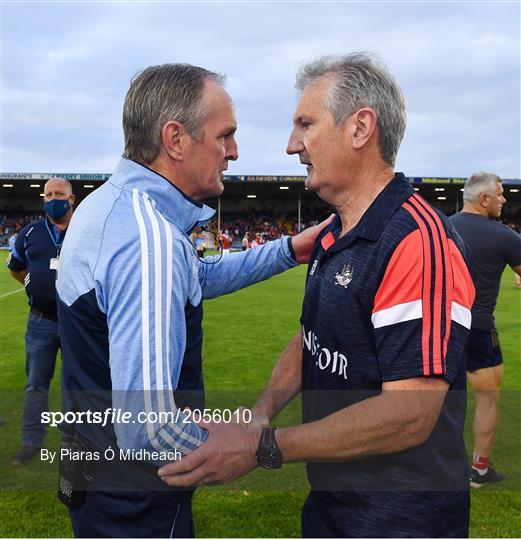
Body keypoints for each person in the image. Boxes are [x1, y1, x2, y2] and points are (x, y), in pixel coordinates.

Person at [158, 53, 477, 538]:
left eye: (305, 124)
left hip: (402, 517)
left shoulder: (417, 240)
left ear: (360, 128)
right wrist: (260, 413)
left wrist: (266, 446)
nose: (292, 146)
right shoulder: (333, 234)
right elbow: (312, 339)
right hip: (332, 504)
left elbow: (409, 414)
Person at [56, 63, 331, 538]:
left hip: (94, 468)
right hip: (137, 496)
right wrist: (241, 445)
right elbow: (146, 428)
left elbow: (192, 279)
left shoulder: (113, 205)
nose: (234, 152)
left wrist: (288, 249)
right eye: (224, 136)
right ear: (176, 139)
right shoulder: (147, 240)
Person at [450, 172, 521, 487]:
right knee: (487, 398)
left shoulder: (441, 228)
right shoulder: (504, 235)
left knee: (427, 398)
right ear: (484, 199)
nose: (504, 200)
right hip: (478, 328)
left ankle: (421, 466)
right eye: (501, 194)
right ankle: (478, 471)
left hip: (437, 326)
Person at [6, 177, 75, 465]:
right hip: (41, 322)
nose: (53, 199)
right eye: (48, 195)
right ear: (43, 199)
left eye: (59, 194)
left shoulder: (87, 231)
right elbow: (16, 268)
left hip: (77, 324)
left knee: (79, 384)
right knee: (36, 385)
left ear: (72, 199)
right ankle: (31, 441)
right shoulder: (30, 232)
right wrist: (36, 285)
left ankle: (78, 442)